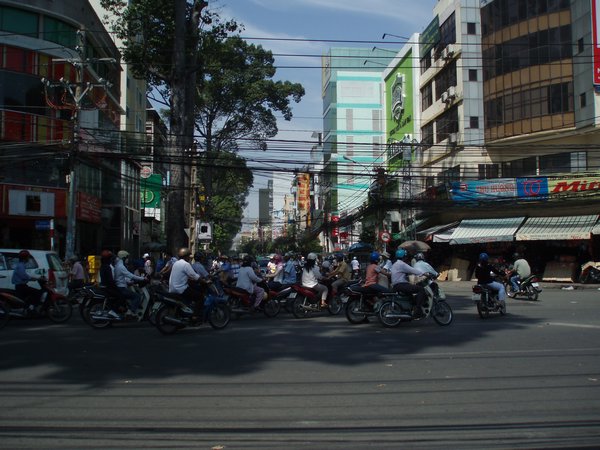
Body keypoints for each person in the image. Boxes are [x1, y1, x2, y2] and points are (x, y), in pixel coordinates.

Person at [390, 249, 427, 317]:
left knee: (411, 296)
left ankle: (410, 311)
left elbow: (406, 272)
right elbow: (412, 270)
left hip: (396, 285)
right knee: (421, 289)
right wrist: (424, 273)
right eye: (405, 256)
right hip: (401, 284)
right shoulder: (402, 264)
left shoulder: (395, 264)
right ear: (404, 256)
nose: (406, 257)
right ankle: (418, 310)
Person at [169, 248, 205, 315]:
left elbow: (183, 275)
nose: (189, 258)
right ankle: (195, 316)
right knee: (200, 297)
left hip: (172, 288)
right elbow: (194, 276)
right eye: (188, 256)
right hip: (180, 289)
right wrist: (204, 281)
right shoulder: (186, 264)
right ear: (185, 256)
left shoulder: (176, 263)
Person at [114, 250, 146, 315]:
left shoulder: (117, 265)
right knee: (137, 296)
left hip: (120, 286)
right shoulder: (121, 266)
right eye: (127, 257)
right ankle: (130, 312)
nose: (128, 259)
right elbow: (130, 275)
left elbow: (123, 277)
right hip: (121, 288)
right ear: (123, 258)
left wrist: (129, 281)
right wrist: (142, 278)